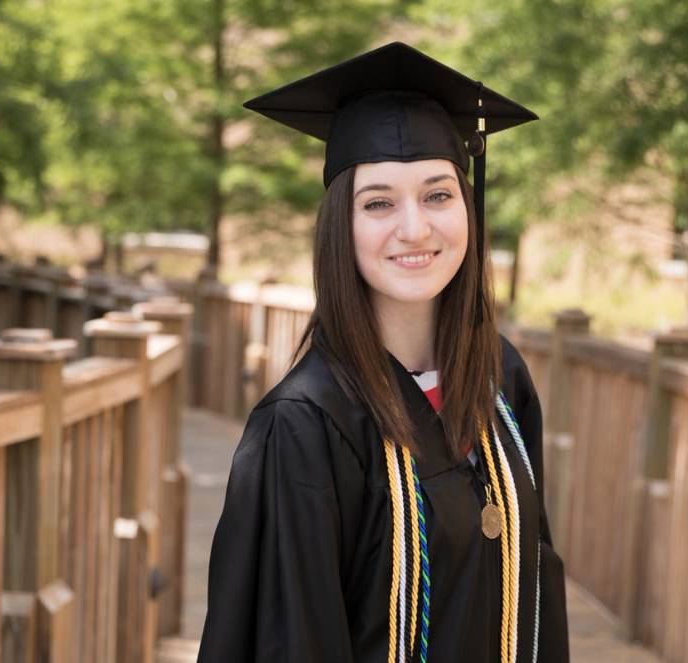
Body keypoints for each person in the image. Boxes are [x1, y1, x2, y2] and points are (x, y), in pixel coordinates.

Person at [198, 42, 570, 663]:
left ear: (469, 209)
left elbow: (537, 589)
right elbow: (295, 641)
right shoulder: (303, 426)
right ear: (339, 225)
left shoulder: (501, 379)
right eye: (378, 203)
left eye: (437, 195)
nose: (415, 228)